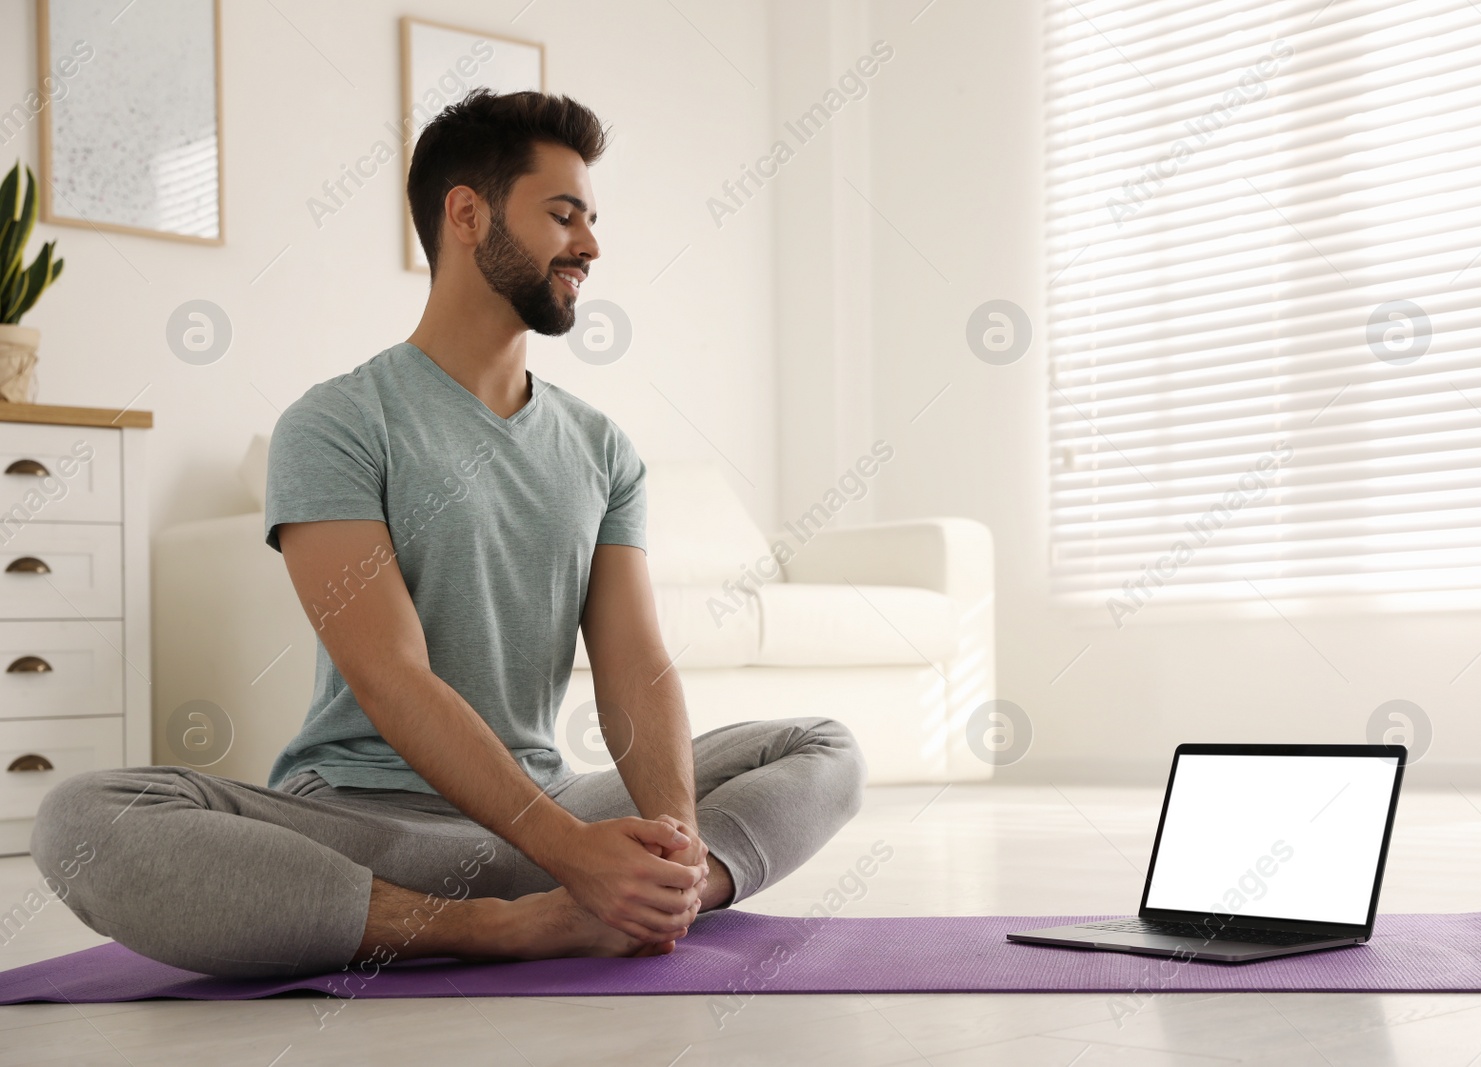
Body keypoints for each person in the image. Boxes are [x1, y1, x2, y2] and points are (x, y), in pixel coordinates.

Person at [29, 88, 866, 979]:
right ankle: (506, 927)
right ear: (467, 213)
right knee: (82, 818)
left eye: (591, 218)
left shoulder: (602, 448)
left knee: (824, 748)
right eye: (563, 214)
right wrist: (573, 853)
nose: (589, 244)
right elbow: (392, 678)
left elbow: (635, 665)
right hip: (374, 826)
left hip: (549, 813)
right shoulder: (338, 423)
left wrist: (673, 851)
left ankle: (650, 898)